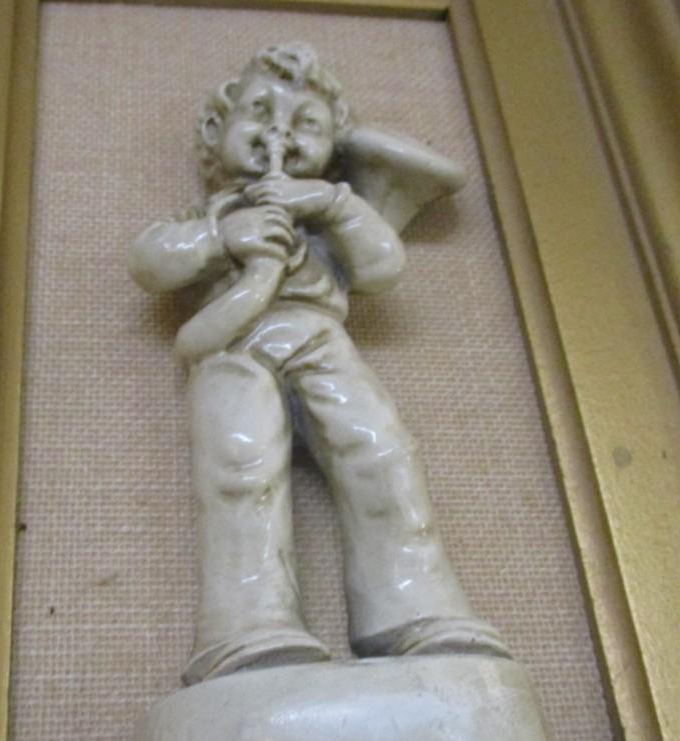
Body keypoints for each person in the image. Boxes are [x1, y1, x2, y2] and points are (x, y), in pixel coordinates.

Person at [130, 43, 509, 686]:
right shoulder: (211, 215)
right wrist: (221, 238)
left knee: (379, 450)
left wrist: (334, 204)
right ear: (216, 130)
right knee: (240, 467)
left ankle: (413, 605)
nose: (280, 133)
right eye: (260, 113)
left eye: (306, 124)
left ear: (333, 148)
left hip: (320, 338)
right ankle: (246, 625)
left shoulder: (325, 212)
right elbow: (150, 262)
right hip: (231, 349)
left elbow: (382, 269)